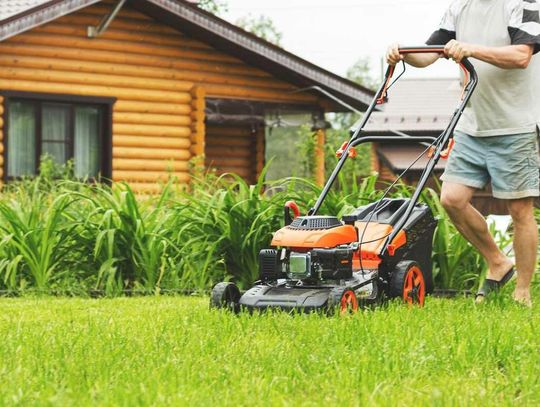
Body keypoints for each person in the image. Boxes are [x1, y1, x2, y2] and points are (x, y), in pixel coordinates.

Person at [386, 0, 540, 306]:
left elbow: (522, 56)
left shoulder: (522, 4)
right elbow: (430, 54)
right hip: (471, 125)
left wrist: (470, 49)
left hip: (515, 125)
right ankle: (498, 262)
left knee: (519, 210)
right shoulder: (460, 7)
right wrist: (402, 52)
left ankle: (522, 290)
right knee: (452, 200)